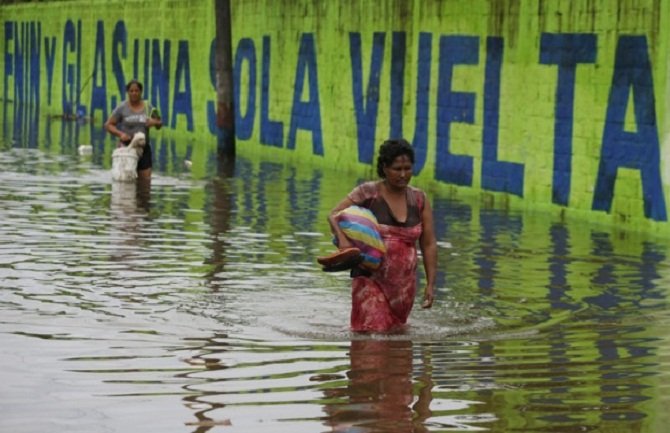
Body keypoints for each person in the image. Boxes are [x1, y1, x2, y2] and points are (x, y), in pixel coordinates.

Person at [328, 138, 437, 333]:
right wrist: (344, 243)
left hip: (403, 287)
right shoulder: (369, 193)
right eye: (397, 169)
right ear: (384, 168)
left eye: (407, 168)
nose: (403, 174)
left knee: (398, 347)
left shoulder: (419, 200)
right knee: (372, 340)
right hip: (370, 279)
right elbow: (333, 215)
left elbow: (428, 244)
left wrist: (430, 284)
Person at [104, 79, 162, 179]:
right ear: (128, 92)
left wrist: (155, 122)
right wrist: (120, 134)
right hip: (127, 148)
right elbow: (108, 125)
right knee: (125, 180)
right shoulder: (122, 107)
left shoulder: (148, 107)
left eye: (136, 91)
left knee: (145, 183)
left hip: (144, 148)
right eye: (131, 91)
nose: (134, 93)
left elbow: (160, 123)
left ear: (141, 92)